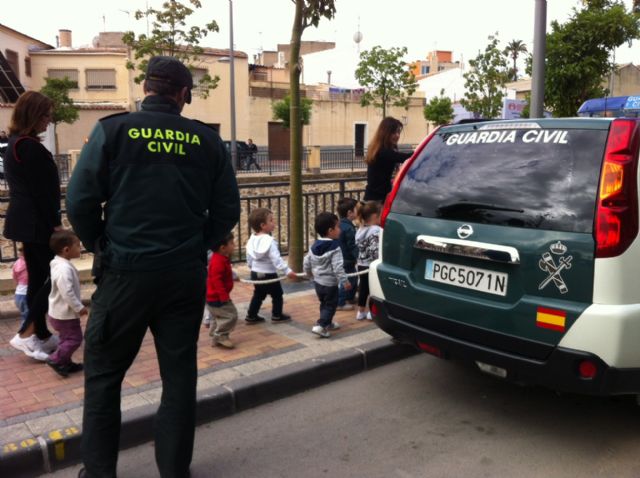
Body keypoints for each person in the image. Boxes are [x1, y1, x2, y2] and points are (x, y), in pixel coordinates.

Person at [66, 55, 240, 478]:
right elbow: (227, 209)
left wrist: (100, 243)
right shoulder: (207, 141)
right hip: (182, 276)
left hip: (125, 272)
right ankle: (174, 470)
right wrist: (196, 244)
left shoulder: (113, 130)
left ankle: (100, 472)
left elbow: (79, 201)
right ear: (183, 94)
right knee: (179, 379)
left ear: (145, 87)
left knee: (104, 377)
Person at [5, 91, 60, 361]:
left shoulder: (15, 143)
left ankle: (42, 334)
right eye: (46, 115)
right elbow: (44, 193)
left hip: (24, 220)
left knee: (38, 279)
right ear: (34, 115)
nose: (49, 121)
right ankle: (26, 334)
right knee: (50, 279)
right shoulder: (29, 147)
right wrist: (56, 225)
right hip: (37, 223)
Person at [46, 230, 87, 377]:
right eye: (77, 245)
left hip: (59, 312)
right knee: (74, 339)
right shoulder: (64, 269)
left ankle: (66, 362)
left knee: (66, 339)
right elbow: (67, 292)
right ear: (66, 250)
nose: (80, 247)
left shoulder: (60, 263)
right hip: (65, 314)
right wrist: (79, 307)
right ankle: (56, 360)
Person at [245, 207, 297, 323]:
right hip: (269, 274)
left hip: (255, 273)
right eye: (271, 220)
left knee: (258, 294)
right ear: (263, 225)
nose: (274, 222)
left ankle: (251, 315)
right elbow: (277, 260)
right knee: (277, 294)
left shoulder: (251, 240)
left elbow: (249, 257)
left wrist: (251, 267)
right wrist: (288, 271)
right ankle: (277, 315)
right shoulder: (270, 241)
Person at [304, 212, 351, 338]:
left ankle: (328, 323)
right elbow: (337, 267)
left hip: (318, 282)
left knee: (324, 303)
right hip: (330, 284)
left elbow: (306, 261)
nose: (340, 230)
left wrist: (309, 275)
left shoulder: (314, 245)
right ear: (330, 230)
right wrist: (345, 281)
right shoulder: (335, 247)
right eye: (338, 227)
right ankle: (321, 326)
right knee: (330, 305)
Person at [363, 116, 413, 203]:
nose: (397, 135)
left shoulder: (379, 148)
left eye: (398, 132)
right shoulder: (383, 151)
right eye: (394, 132)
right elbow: (404, 158)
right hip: (376, 200)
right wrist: (423, 150)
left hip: (374, 197)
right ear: (385, 133)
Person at [206, 233, 238, 349]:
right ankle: (221, 335)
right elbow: (216, 281)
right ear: (223, 248)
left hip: (214, 297)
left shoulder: (220, 258)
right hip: (218, 298)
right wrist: (223, 296)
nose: (234, 245)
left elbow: (225, 274)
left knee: (217, 316)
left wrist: (234, 276)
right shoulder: (218, 261)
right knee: (231, 315)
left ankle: (214, 335)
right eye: (232, 243)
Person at [355, 201, 382, 321]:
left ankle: (360, 311)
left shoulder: (360, 229)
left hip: (361, 264)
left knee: (363, 288)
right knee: (373, 288)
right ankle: (372, 311)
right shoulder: (375, 230)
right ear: (375, 216)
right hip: (371, 265)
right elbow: (375, 251)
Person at [336, 198, 358, 311]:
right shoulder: (349, 228)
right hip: (347, 259)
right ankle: (340, 302)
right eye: (356, 209)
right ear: (350, 212)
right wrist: (358, 256)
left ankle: (350, 297)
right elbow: (352, 245)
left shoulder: (339, 225)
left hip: (341, 258)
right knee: (348, 280)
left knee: (352, 278)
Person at [12, 245, 29, 327]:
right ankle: (24, 335)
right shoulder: (30, 263)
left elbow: (15, 278)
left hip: (19, 293)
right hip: (27, 294)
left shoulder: (17, 263)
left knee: (24, 317)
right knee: (28, 319)